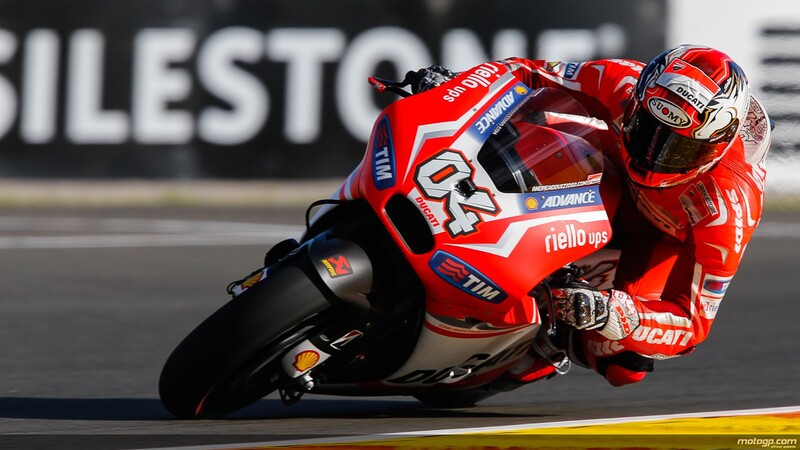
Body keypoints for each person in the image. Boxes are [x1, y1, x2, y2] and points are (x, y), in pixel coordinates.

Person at [411, 44, 771, 386]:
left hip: (659, 238)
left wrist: (614, 314)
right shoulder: (622, 80)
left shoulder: (729, 208)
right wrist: (459, 88)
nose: (654, 156)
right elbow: (525, 73)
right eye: (647, 130)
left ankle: (545, 345)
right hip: (603, 165)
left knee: (623, 361)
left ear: (717, 148)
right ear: (636, 103)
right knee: (529, 123)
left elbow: (692, 324)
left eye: (679, 149)